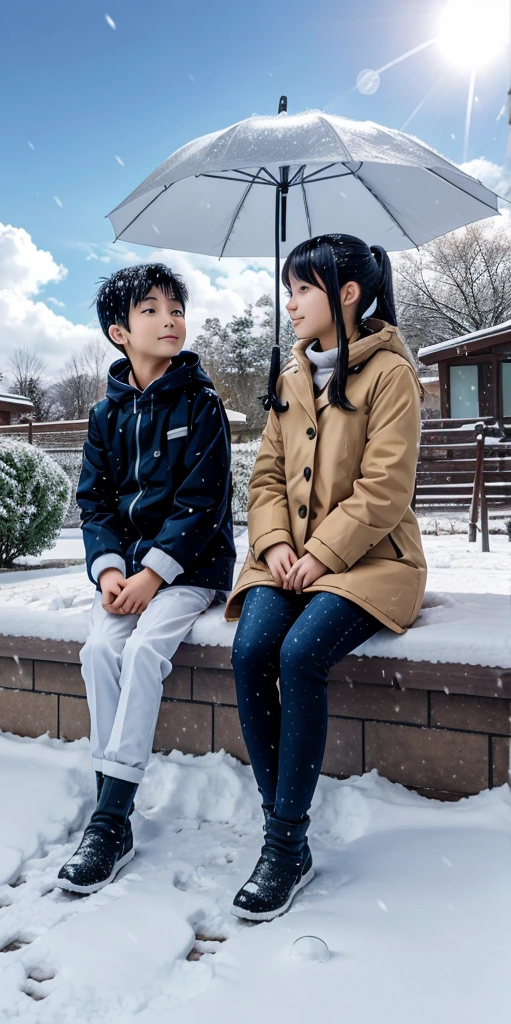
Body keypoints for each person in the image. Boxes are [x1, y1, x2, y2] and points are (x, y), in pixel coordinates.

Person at [224, 234, 427, 922]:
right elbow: (266, 477)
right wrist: (276, 543)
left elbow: (386, 488)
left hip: (369, 559)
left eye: (302, 289)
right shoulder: (290, 378)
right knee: (251, 652)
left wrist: (324, 554)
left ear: (347, 293)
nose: (290, 305)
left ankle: (284, 845)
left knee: (300, 654)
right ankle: (284, 822)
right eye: (288, 290)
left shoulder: (391, 375)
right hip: (288, 557)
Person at [57, 263, 236, 894]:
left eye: (177, 308)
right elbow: (95, 503)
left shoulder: (202, 403)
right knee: (98, 650)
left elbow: (203, 501)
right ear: (118, 332)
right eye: (152, 310)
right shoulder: (105, 414)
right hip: (127, 575)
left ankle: (110, 819)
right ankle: (114, 802)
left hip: (190, 569)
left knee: (144, 652)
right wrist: (110, 570)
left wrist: (154, 574)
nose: (170, 320)